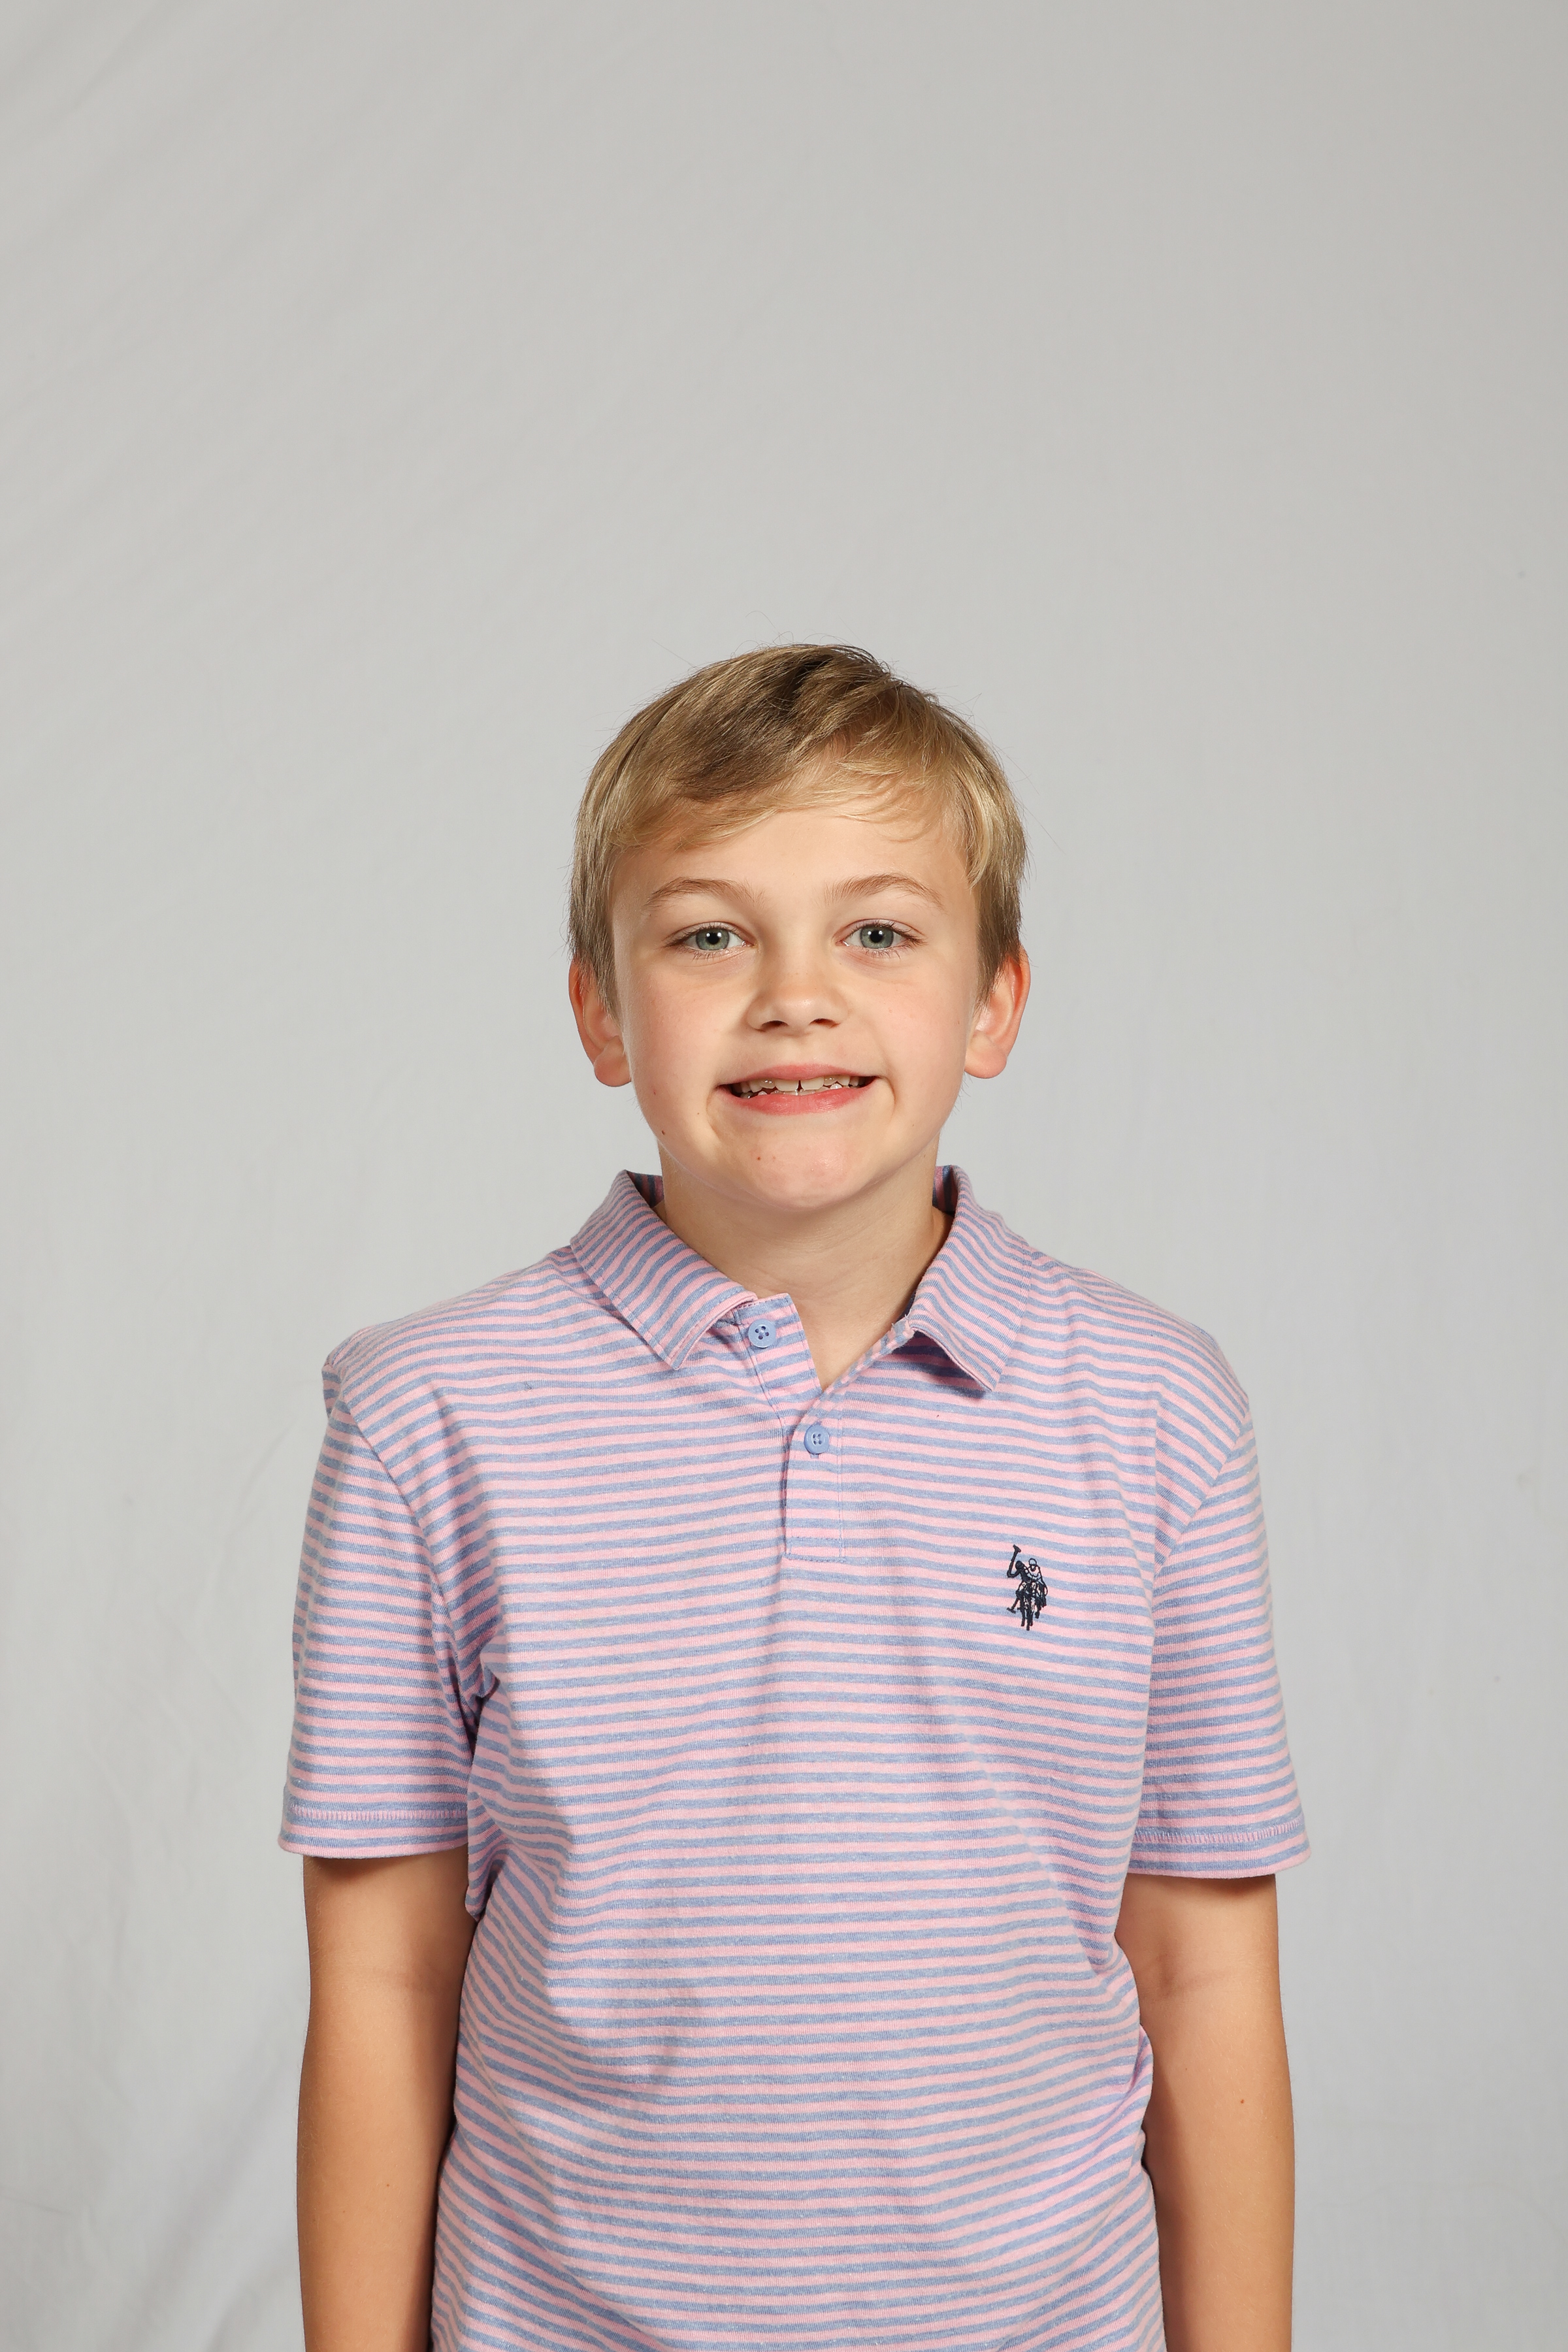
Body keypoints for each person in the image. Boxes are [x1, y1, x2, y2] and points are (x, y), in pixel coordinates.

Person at [282, 644, 1308, 2352]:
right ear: (600, 1010)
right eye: (709, 936)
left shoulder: (1154, 1409)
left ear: (995, 1002)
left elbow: (1204, 1975)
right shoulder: (427, 1417)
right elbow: (384, 1983)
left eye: (879, 933)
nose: (796, 997)